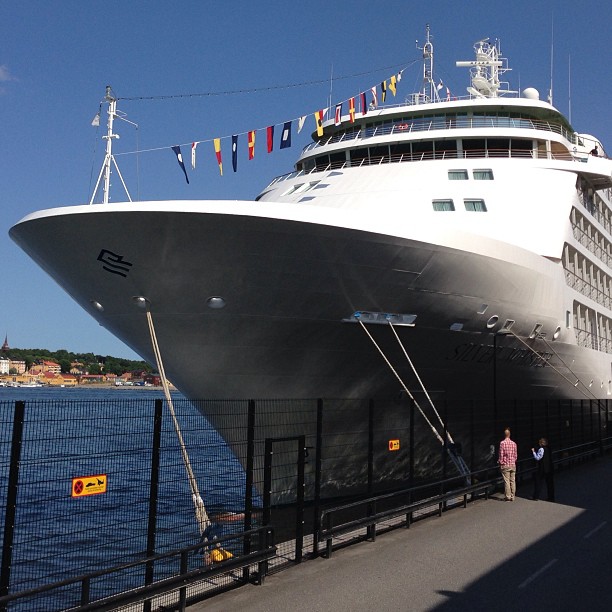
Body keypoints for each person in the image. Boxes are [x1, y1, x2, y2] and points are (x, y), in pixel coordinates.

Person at [498, 427, 517, 501]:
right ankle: (513, 496)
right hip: (512, 464)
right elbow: (515, 455)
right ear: (510, 434)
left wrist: (501, 462)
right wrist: (513, 461)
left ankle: (508, 496)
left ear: (504, 434)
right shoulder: (514, 444)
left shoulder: (502, 443)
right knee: (513, 480)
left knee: (507, 481)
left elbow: (501, 455)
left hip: (505, 465)